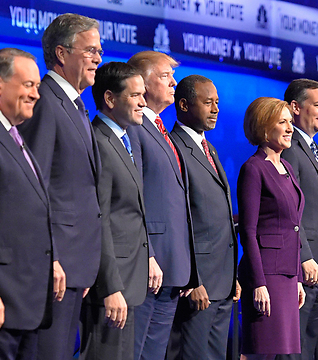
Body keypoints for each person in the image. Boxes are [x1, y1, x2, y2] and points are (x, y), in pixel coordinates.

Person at [0, 48, 67, 360]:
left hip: (26, 302)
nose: (36, 94)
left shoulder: (13, 133)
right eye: (28, 86)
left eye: (37, 86)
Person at [17, 13, 103, 360]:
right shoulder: (45, 103)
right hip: (57, 266)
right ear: (62, 53)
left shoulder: (76, 105)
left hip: (77, 265)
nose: (99, 58)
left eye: (100, 50)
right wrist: (51, 256)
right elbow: (34, 186)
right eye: (91, 51)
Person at [80, 61, 157, 360]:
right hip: (111, 287)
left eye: (144, 94)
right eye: (136, 95)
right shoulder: (98, 141)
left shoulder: (126, 141)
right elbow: (99, 218)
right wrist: (110, 285)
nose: (143, 102)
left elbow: (131, 211)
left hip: (132, 279)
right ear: (110, 99)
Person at [126, 51, 199, 360]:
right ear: (142, 82)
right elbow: (133, 196)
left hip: (172, 267)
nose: (174, 83)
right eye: (165, 76)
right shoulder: (133, 127)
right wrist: (149, 253)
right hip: (149, 266)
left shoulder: (158, 128)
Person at [168, 75, 241, 360]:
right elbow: (180, 219)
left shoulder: (209, 148)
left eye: (218, 103)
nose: (215, 109)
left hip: (222, 282)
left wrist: (232, 274)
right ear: (184, 104)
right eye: (208, 102)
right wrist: (192, 280)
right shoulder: (174, 147)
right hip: (197, 284)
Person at [278, 79, 318, 360]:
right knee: (293, 349)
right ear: (295, 107)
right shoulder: (290, 149)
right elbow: (290, 210)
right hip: (303, 266)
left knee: (308, 347)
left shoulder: (315, 150)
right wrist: (303, 255)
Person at [238, 97, 306, 359]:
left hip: (288, 276)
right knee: (262, 351)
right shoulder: (253, 169)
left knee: (284, 353)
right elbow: (248, 230)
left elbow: (294, 227)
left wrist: (298, 277)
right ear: (265, 128)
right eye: (283, 122)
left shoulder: (287, 167)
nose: (290, 128)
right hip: (267, 276)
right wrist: (258, 283)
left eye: (290, 122)